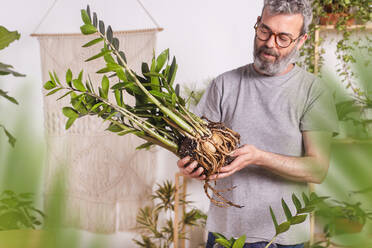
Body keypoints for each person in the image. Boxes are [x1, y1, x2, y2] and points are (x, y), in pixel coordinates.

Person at [177, 0, 339, 247]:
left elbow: (318, 169)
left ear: (302, 40)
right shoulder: (223, 85)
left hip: (283, 239)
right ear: (257, 23)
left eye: (283, 38)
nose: (270, 44)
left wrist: (259, 157)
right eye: (265, 30)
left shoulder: (313, 91)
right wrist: (192, 166)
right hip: (224, 235)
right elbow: (200, 150)